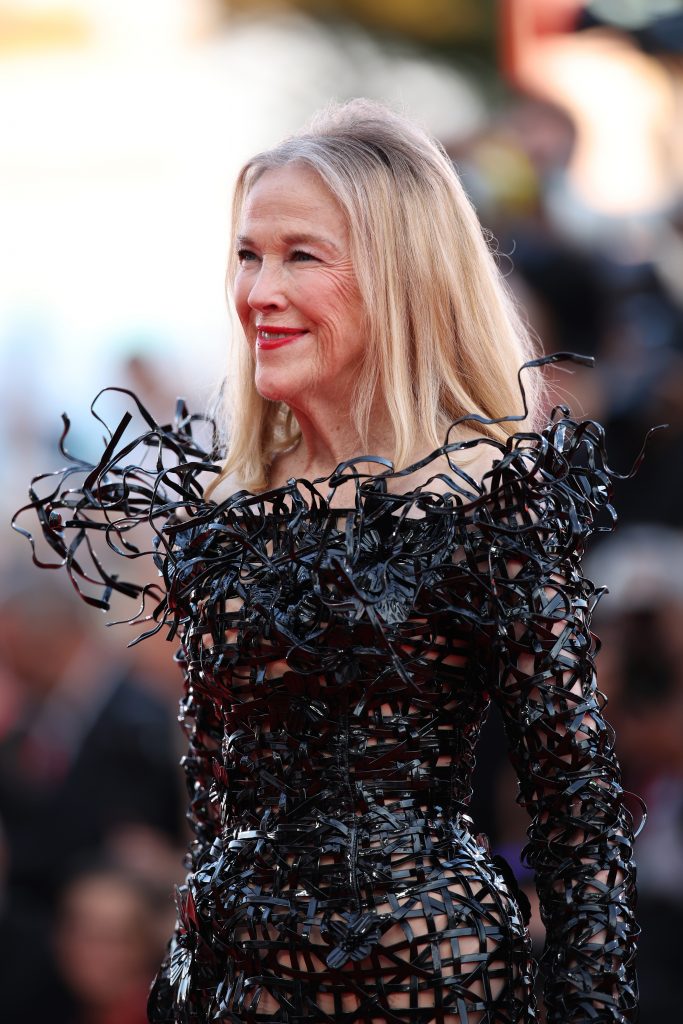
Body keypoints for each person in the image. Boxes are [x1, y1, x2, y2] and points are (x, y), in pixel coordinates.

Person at [14, 100, 640, 1023]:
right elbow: (216, 809)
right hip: (231, 986)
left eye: (300, 255)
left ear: (397, 277)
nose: (259, 291)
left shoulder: (487, 503)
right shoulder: (220, 514)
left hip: (428, 986)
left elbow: (576, 818)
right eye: (247, 254)